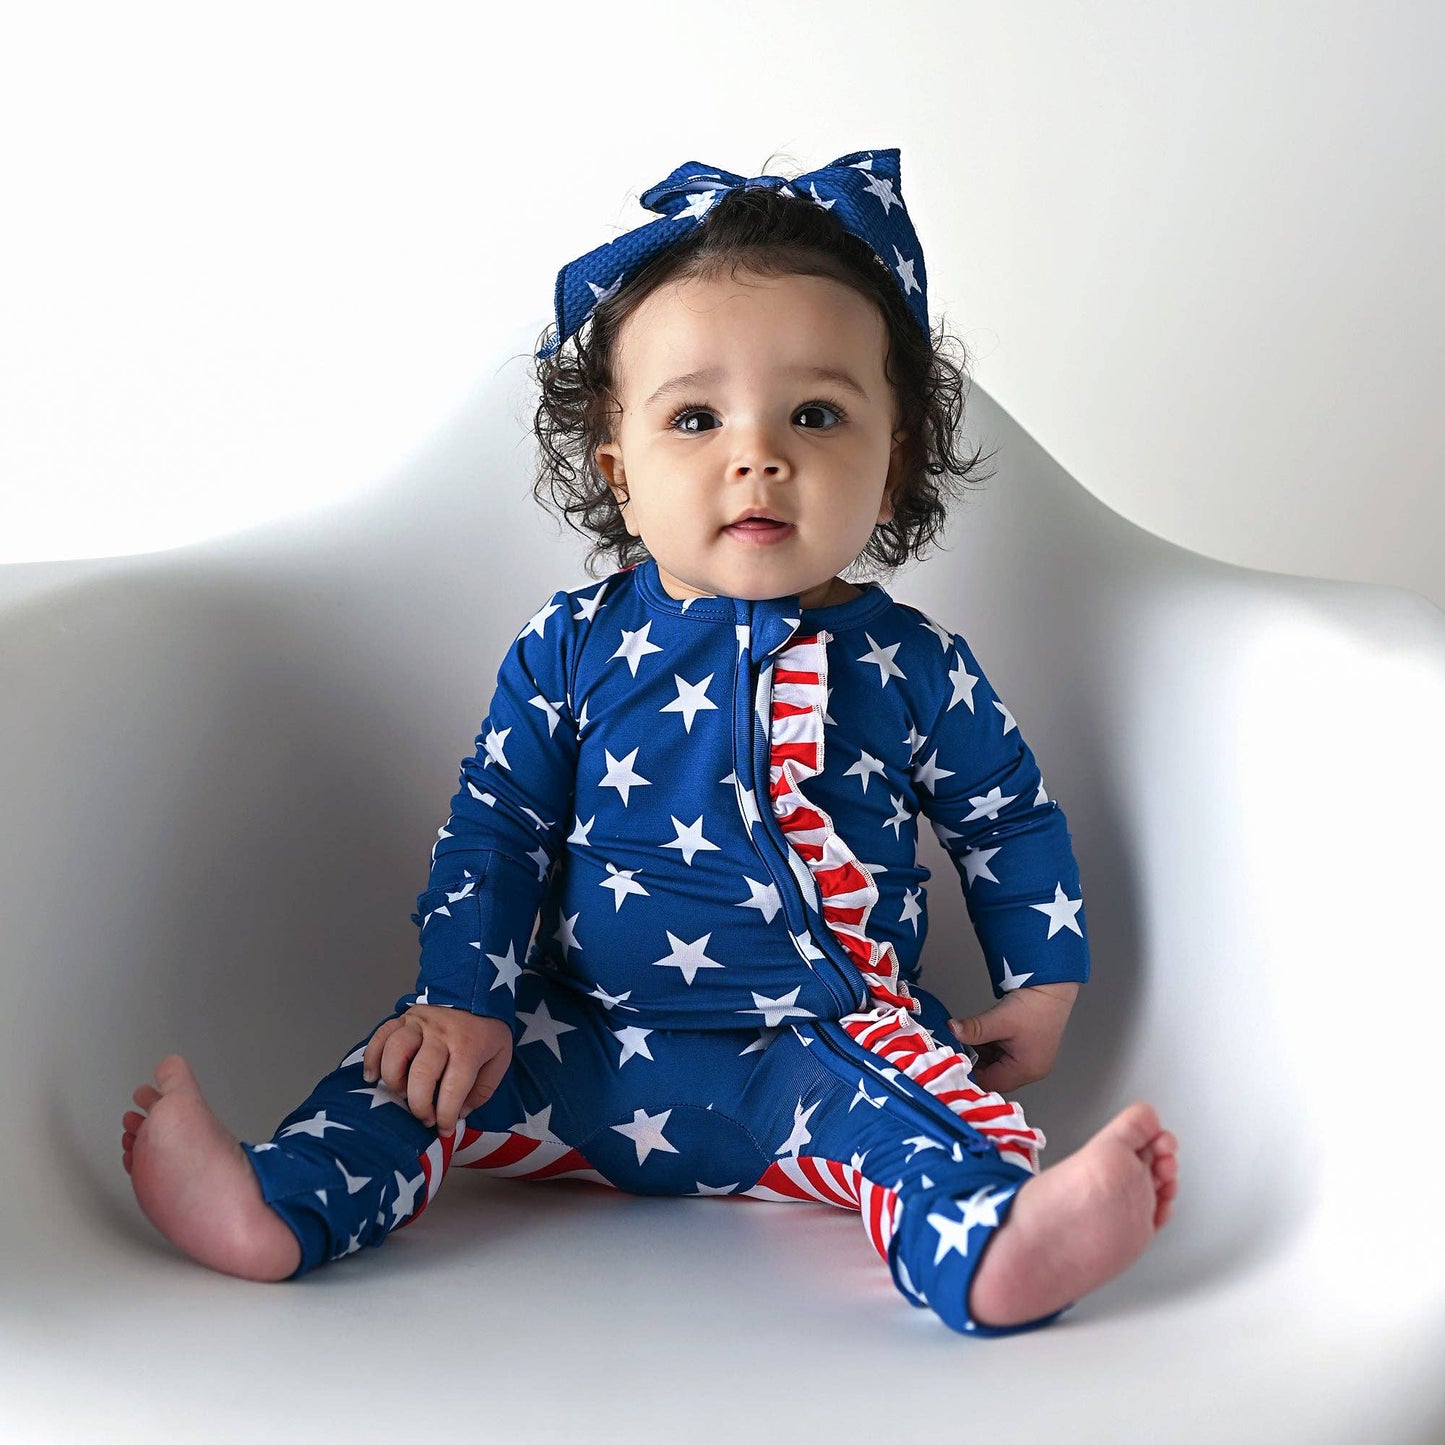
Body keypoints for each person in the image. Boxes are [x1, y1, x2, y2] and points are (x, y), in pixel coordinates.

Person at [122, 148, 1178, 1336]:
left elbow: (1006, 821)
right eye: (694, 416)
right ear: (620, 476)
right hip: (574, 1046)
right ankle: (280, 1203)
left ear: (892, 469)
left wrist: (1041, 986)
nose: (757, 453)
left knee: (931, 1126)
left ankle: (992, 1247)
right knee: (408, 1076)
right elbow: (497, 828)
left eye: (817, 414)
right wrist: (462, 996)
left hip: (824, 1058)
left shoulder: (915, 665)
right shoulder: (570, 645)